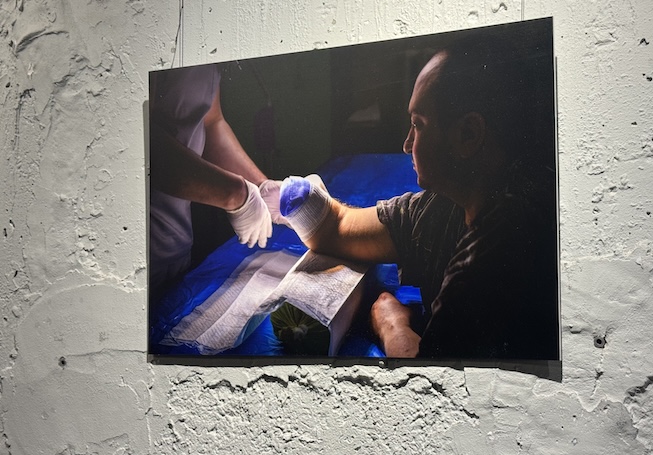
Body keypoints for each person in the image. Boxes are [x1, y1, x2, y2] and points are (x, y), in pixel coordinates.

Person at [281, 34, 559, 360]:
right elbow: (335, 226)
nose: (406, 144)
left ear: (468, 134)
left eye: (418, 124)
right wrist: (295, 197)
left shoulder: (489, 261)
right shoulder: (447, 206)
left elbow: (433, 378)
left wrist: (392, 325)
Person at [149, 64, 284, 295]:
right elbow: (143, 141)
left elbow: (211, 122)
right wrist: (235, 194)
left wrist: (261, 186)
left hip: (175, 245)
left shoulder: (206, 51)